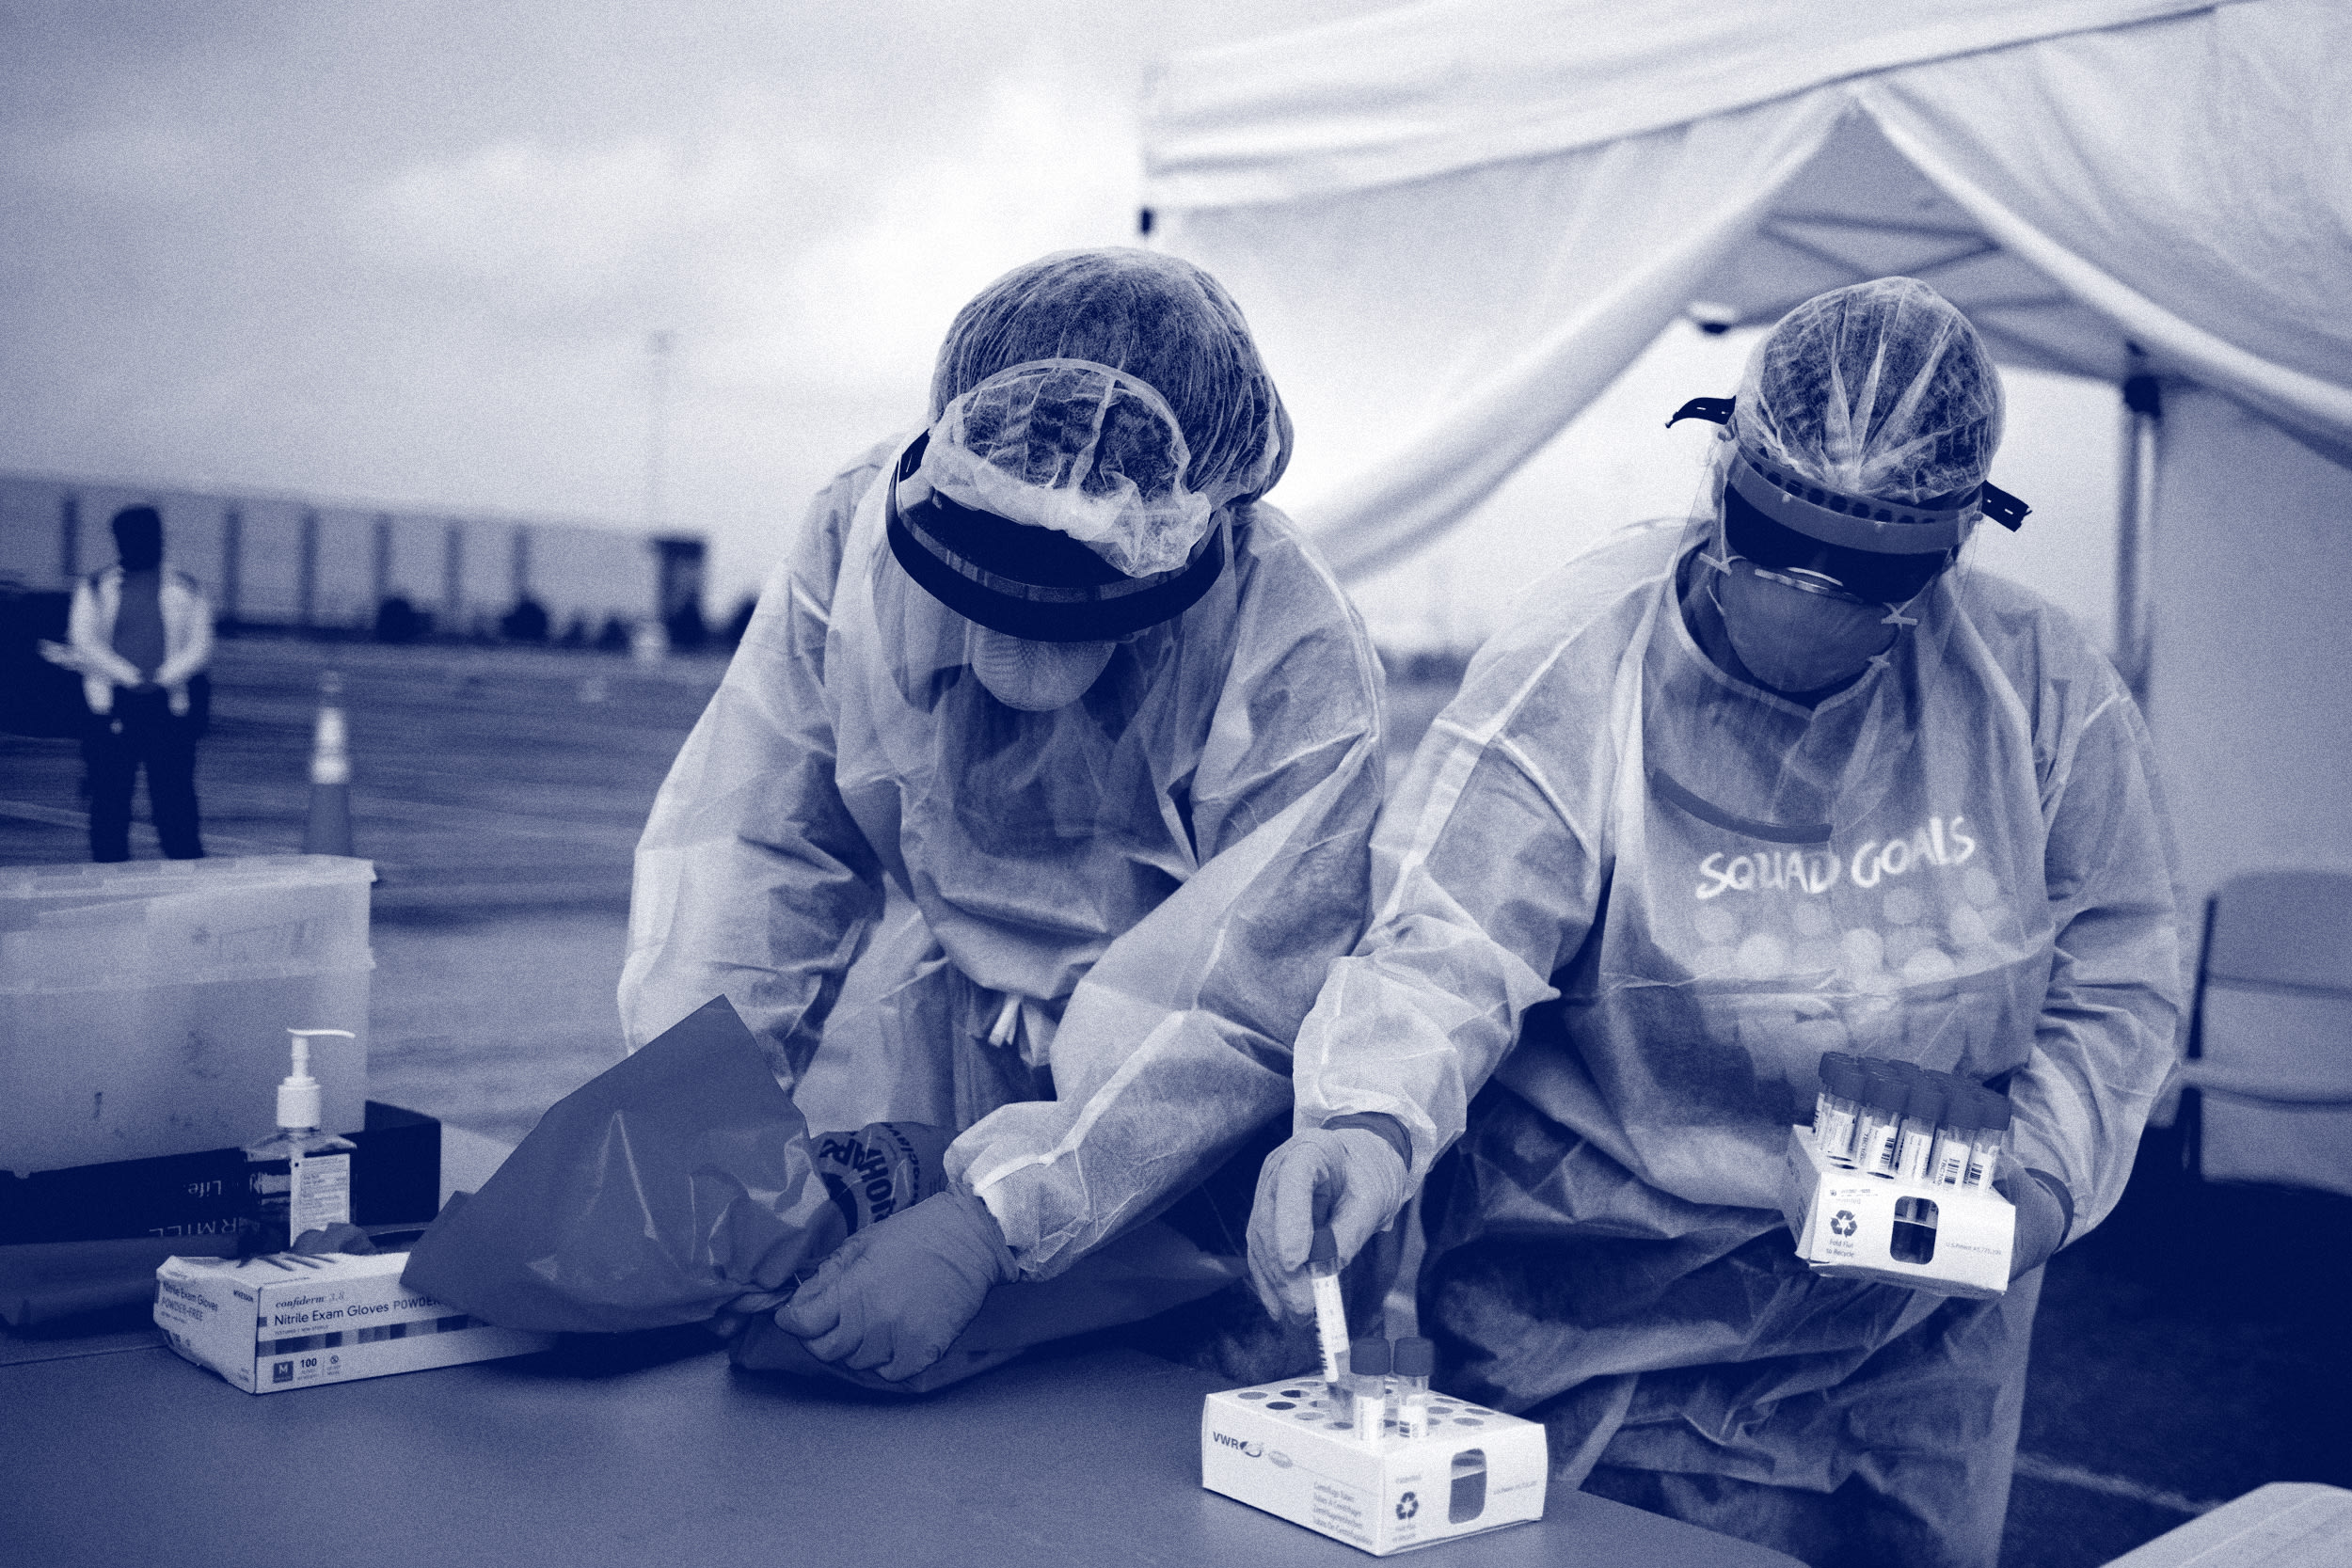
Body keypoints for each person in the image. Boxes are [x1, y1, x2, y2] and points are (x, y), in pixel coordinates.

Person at [1247, 278, 2183, 1568]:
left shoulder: (2037, 689)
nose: (1807, 599)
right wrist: (1363, 1118)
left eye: (1867, 577)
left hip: (1917, 1356)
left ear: (1957, 543)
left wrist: (2035, 1182)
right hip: (1611, 1342)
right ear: (1724, 471)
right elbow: (1449, 938)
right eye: (1775, 539)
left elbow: (2119, 970)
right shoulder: (1591, 657)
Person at [619, 248, 1386, 1387]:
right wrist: (691, 1110)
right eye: (985, 595)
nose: (1021, 650)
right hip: (952, 1081)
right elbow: (758, 841)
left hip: (1195, 1159)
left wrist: (996, 1218)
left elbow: (1231, 1004)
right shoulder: (857, 536)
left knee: (1163, 1469)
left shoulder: (1290, 653)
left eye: (1078, 606)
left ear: (1198, 531)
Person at [43, 504, 213, 861]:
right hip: (110, 707)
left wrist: (164, 677)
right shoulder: (94, 587)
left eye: (148, 537)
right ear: (119, 541)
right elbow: (84, 640)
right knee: (109, 799)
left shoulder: (187, 588)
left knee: (174, 800)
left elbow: (200, 645)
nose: (141, 544)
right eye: (131, 537)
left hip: (169, 706)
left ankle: (188, 875)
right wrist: (130, 677)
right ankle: (110, 874)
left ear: (160, 538)